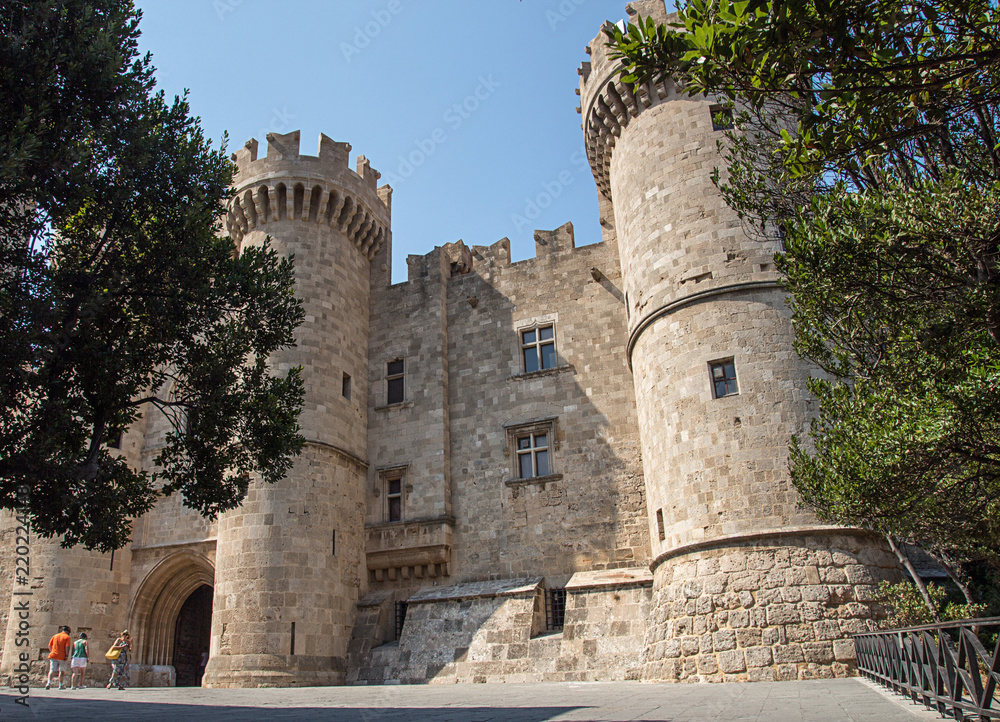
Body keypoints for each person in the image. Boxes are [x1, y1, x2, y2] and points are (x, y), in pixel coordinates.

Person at [45, 625, 72, 690]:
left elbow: (49, 645)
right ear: (67, 631)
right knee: (62, 671)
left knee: (52, 670)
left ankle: (48, 683)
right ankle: (61, 684)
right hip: (62, 656)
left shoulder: (55, 636)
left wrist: (52, 651)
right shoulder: (67, 637)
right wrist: (67, 655)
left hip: (53, 655)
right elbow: (67, 646)